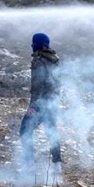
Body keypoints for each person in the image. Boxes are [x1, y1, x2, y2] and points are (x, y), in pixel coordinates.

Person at [20, 32, 62, 165]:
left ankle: (29, 164)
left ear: (37, 44)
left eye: (33, 42)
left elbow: (37, 86)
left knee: (24, 131)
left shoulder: (38, 61)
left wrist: (32, 106)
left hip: (40, 104)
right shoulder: (54, 59)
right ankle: (57, 166)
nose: (32, 45)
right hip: (52, 102)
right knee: (52, 133)